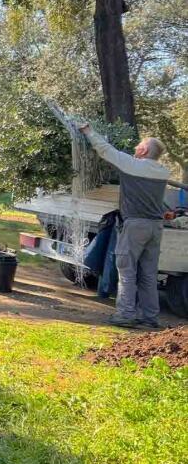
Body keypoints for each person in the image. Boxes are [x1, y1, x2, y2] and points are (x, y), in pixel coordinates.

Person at [79, 124, 171, 328]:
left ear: (144, 151)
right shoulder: (163, 172)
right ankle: (149, 318)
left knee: (126, 271)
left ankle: (125, 314)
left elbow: (106, 150)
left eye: (139, 146)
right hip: (155, 227)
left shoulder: (133, 166)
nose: (135, 148)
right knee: (148, 273)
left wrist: (88, 131)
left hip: (135, 225)